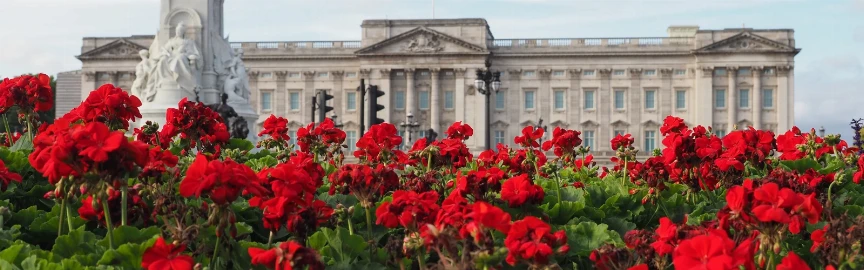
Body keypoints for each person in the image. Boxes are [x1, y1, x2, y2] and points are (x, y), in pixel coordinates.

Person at [148, 23, 201, 101]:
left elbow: (193, 53)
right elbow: (165, 50)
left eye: (180, 30)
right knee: (162, 60)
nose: (178, 32)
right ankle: (164, 80)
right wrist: (165, 53)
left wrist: (186, 53)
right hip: (171, 57)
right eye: (177, 30)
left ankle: (181, 80)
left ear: (183, 32)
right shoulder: (172, 41)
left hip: (183, 57)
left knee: (179, 58)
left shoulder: (188, 42)